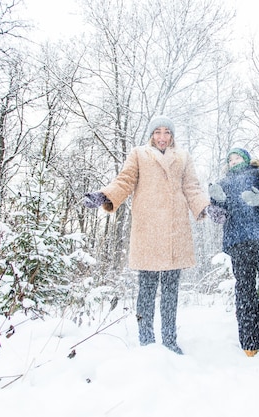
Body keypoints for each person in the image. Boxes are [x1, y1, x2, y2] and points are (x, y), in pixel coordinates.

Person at [82, 115, 225, 354]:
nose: (162, 137)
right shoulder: (139, 154)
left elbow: (191, 187)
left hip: (174, 231)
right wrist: (104, 195)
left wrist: (206, 207)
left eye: (167, 132)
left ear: (172, 136)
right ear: (151, 135)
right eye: (157, 132)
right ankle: (146, 341)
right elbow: (125, 181)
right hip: (148, 229)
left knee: (170, 291)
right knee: (146, 290)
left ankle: (169, 340)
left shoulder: (183, 157)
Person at [209, 147, 259, 357]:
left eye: (237, 157)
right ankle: (250, 343)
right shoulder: (224, 183)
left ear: (246, 159)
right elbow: (219, 216)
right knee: (245, 293)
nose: (233, 161)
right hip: (239, 243)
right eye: (230, 159)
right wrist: (216, 203)